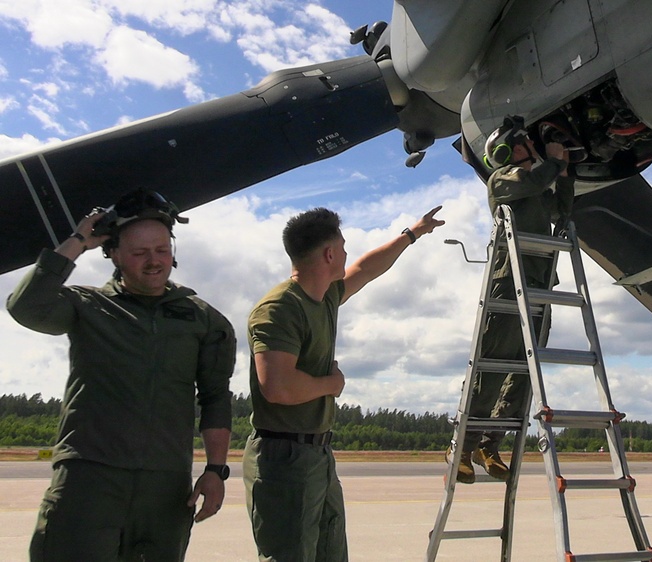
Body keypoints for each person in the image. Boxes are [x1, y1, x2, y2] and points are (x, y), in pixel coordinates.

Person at [6, 189, 236, 562]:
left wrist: (215, 470)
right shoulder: (86, 307)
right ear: (113, 254)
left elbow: (215, 397)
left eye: (162, 250)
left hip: (165, 487)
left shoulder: (203, 319)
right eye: (139, 252)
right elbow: (26, 306)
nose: (154, 262)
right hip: (89, 479)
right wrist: (79, 240)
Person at [243, 205, 445, 562]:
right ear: (329, 253)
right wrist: (331, 385)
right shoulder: (278, 309)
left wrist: (413, 233)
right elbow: (277, 387)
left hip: (316, 454)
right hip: (283, 459)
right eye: (344, 245)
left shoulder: (326, 297)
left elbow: (366, 269)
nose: (348, 253)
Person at [451, 115, 574, 484]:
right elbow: (536, 178)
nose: (532, 148)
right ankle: (463, 444)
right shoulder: (502, 180)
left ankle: (490, 443)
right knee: (493, 363)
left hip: (539, 283)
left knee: (524, 370)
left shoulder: (534, 189)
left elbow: (561, 211)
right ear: (507, 151)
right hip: (509, 283)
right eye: (525, 143)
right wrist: (552, 162)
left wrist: (565, 172)